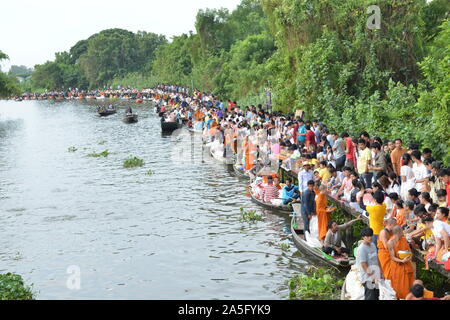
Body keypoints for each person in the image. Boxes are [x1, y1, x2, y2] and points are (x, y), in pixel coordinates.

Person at [385, 226, 415, 299]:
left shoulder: (403, 240)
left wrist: (410, 256)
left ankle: (408, 297)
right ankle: (400, 297)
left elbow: (409, 251)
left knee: (409, 283)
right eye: (402, 231)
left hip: (406, 264)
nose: (403, 233)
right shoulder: (390, 242)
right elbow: (392, 257)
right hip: (397, 265)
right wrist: (402, 261)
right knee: (399, 284)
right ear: (398, 233)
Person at [356, 228, 381, 300]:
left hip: (376, 273)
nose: (370, 238)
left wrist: (381, 271)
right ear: (363, 237)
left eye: (371, 236)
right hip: (368, 277)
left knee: (377, 295)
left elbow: (377, 258)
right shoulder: (362, 249)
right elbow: (364, 264)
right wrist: (371, 276)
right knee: (370, 296)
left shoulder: (373, 245)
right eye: (367, 236)